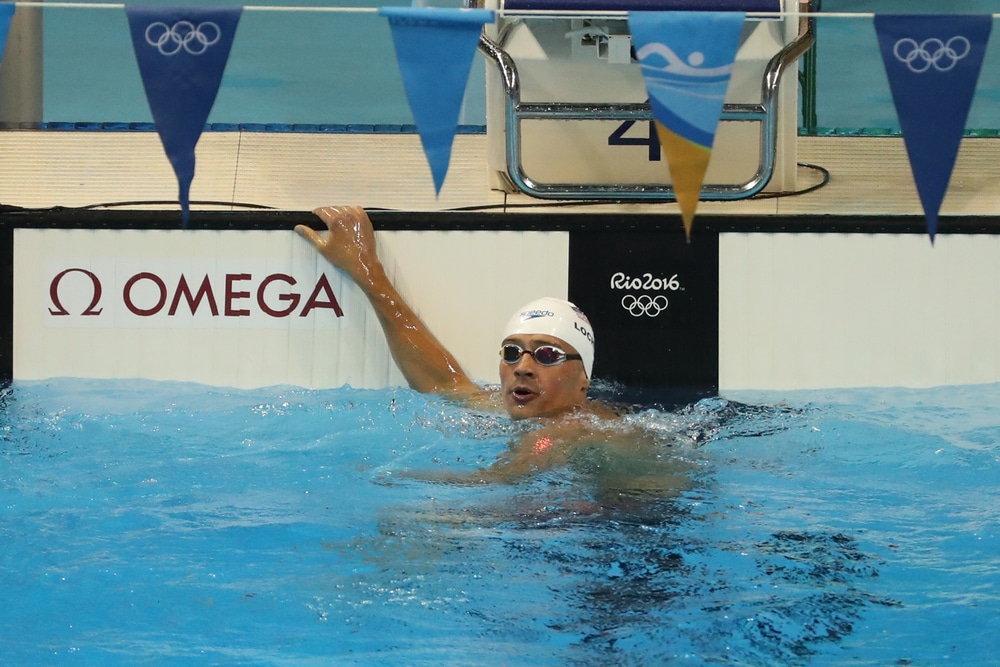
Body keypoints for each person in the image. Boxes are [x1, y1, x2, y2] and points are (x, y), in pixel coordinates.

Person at [295, 206, 683, 491]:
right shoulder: (513, 407)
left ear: (584, 381)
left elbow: (503, 480)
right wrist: (366, 270)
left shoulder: (567, 427)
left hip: (645, 524)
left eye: (547, 355)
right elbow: (443, 384)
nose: (523, 367)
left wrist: (383, 478)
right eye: (512, 352)